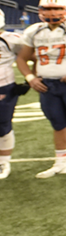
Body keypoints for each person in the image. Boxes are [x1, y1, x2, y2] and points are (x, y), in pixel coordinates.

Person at [16, 0, 66, 179]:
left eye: (57, 8)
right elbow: (22, 58)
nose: (53, 12)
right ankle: (61, 163)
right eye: (48, 9)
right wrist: (30, 77)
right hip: (47, 86)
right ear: (40, 11)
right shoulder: (34, 30)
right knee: (58, 124)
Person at [0, 13, 27, 180]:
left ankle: (3, 161)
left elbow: (30, 55)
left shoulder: (11, 39)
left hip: (3, 86)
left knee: (3, 126)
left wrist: (29, 79)